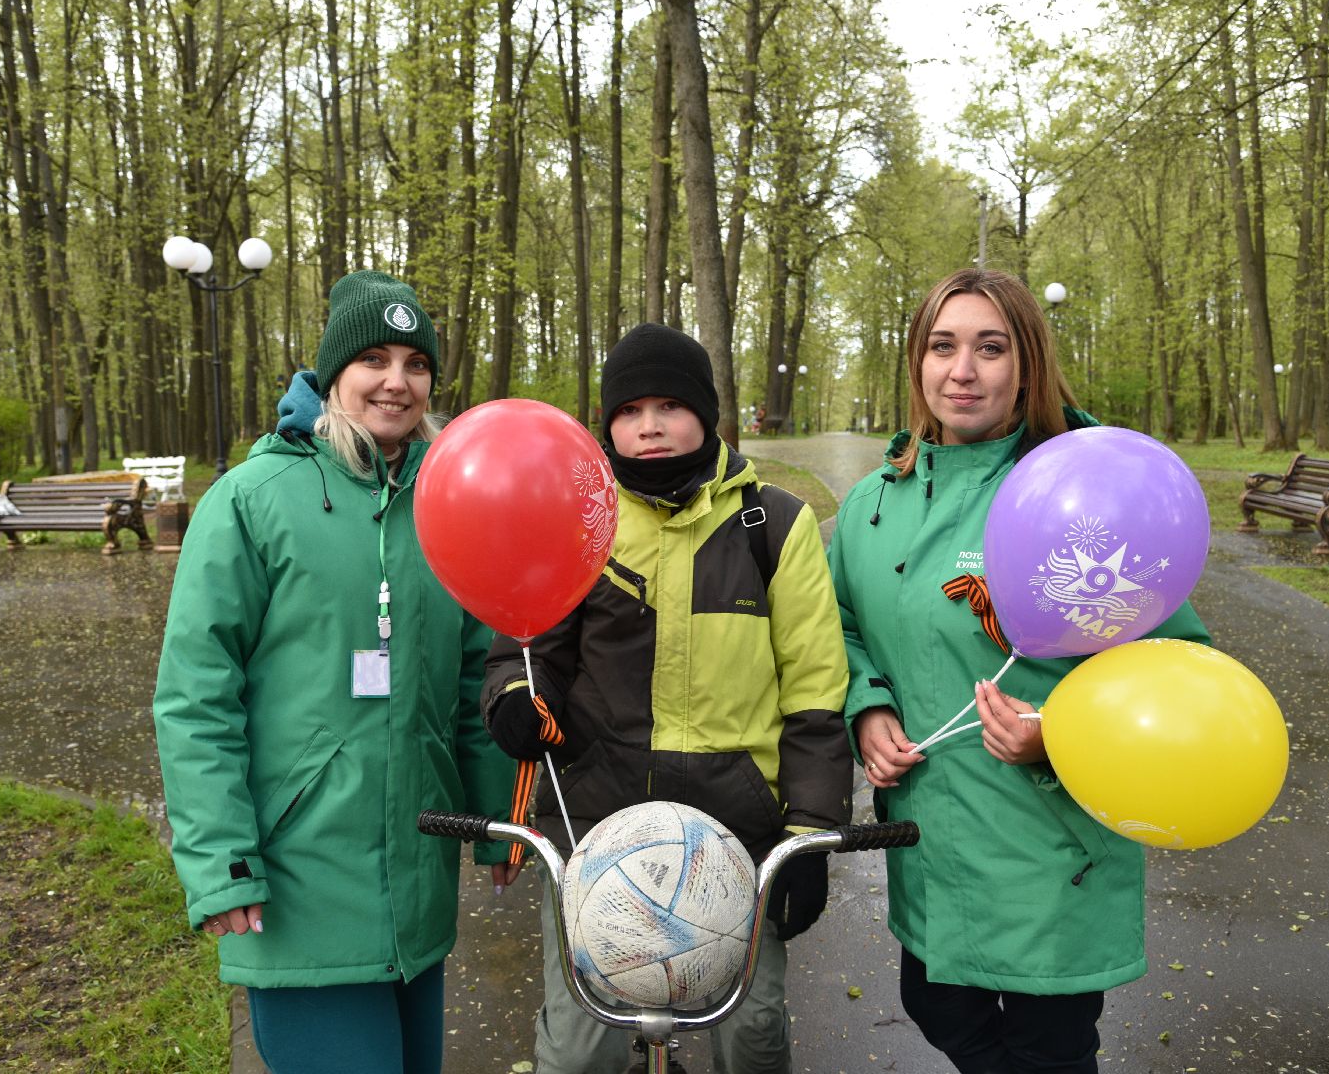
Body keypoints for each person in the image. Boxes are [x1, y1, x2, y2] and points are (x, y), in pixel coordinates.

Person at [827, 268, 1211, 1074]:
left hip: (1050, 845)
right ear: (917, 362)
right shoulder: (872, 504)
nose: (962, 371)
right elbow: (843, 625)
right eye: (942, 346)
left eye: (991, 348)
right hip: (932, 841)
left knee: (1049, 1049)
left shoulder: (1087, 494)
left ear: (1028, 364)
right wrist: (868, 707)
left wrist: (1064, 732)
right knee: (938, 1008)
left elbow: (1178, 671)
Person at [152, 271, 517, 1074]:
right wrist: (222, 865)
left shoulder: (448, 505)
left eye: (416, 364)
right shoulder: (251, 499)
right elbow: (195, 700)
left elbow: (472, 683)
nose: (397, 382)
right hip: (298, 888)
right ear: (332, 373)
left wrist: (496, 823)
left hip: (417, 895)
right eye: (374, 360)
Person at [481, 322, 851, 1074]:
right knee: (579, 1053)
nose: (648, 426)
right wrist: (517, 697)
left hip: (738, 836)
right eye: (628, 410)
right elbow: (525, 653)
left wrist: (811, 835)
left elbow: (814, 691)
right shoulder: (575, 523)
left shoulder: (775, 526)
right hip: (597, 832)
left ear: (707, 414)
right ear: (607, 424)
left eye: (670, 406)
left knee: (752, 1036)